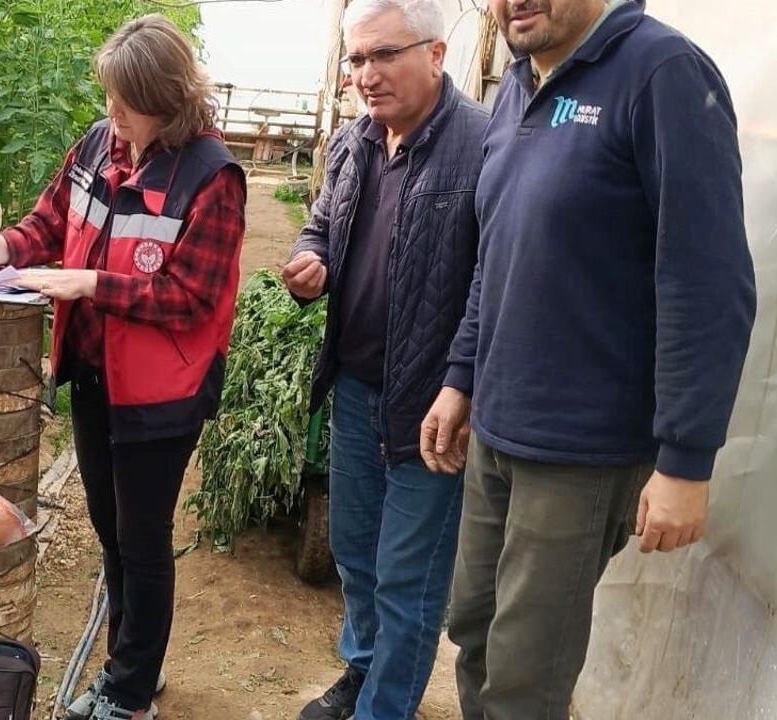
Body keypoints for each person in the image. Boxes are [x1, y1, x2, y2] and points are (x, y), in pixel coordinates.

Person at [419, 1, 757, 717]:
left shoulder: (661, 73)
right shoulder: (516, 81)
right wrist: (461, 376)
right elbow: (499, 252)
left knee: (525, 674)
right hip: (497, 431)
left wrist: (685, 460)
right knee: (473, 629)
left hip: (583, 449)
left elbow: (708, 278)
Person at [0, 15, 246, 720]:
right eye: (108, 97)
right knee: (111, 530)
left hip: (162, 391)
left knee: (142, 541)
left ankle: (131, 693)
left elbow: (191, 297)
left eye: (124, 100)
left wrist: (87, 285)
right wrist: (5, 246)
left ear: (167, 99)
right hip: (96, 372)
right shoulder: (100, 144)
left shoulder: (212, 178)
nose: (111, 112)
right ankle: (130, 665)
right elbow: (50, 221)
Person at [282, 2, 489, 719]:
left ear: (435, 55)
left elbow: (494, 285)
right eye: (357, 59)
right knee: (354, 550)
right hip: (356, 388)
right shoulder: (354, 143)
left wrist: (462, 386)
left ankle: (385, 708)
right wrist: (310, 258)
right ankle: (363, 672)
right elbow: (321, 224)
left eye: (384, 56)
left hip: (433, 406)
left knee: (410, 576)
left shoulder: (482, 148)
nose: (367, 76)